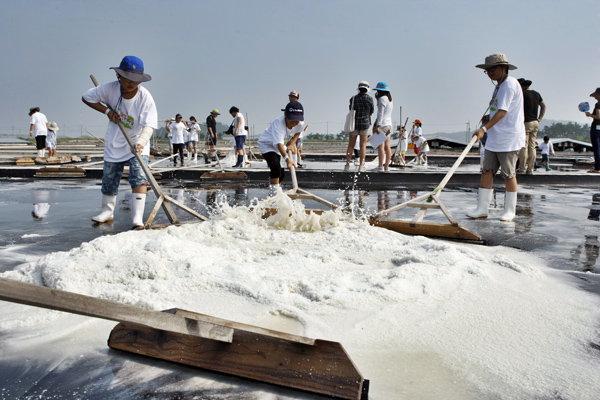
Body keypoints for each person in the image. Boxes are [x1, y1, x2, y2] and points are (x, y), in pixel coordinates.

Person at [82, 55, 158, 228]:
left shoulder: (145, 98)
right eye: (127, 79)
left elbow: (149, 125)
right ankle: (107, 212)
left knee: (138, 178)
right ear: (119, 76)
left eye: (136, 80)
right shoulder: (108, 89)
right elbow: (86, 97)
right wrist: (107, 111)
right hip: (116, 139)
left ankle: (137, 218)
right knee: (109, 176)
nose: (131, 83)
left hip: (138, 142)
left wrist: (141, 142)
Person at [468, 53, 525, 222]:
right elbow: (496, 110)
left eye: (492, 69)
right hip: (495, 137)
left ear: (504, 68)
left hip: (508, 138)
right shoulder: (499, 86)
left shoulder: (509, 85)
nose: (490, 73)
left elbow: (502, 112)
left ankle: (509, 210)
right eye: (487, 70)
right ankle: (482, 209)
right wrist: (488, 120)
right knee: (487, 171)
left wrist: (483, 129)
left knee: (509, 174)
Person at [257, 101, 304, 194]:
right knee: (275, 167)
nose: (294, 124)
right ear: (285, 114)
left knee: (281, 174)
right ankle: (274, 194)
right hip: (267, 145)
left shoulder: (300, 123)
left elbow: (298, 132)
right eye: (292, 121)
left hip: (280, 146)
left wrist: (292, 144)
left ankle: (276, 189)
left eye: (296, 121)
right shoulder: (278, 124)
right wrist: (287, 159)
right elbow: (279, 144)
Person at [517, 78, 546, 175]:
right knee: (532, 146)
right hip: (535, 122)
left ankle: (522, 168)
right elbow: (544, 106)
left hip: (526, 123)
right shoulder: (536, 94)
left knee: (524, 146)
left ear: (521, 85)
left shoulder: (522, 94)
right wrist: (540, 118)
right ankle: (530, 169)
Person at [344, 81, 374, 171]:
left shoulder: (353, 98)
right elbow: (371, 111)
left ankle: (347, 165)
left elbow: (351, 109)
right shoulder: (369, 99)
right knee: (363, 145)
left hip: (353, 124)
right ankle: (361, 165)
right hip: (365, 123)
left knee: (351, 145)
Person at [373, 82, 394, 172]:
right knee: (388, 146)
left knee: (381, 146)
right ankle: (386, 166)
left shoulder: (382, 99)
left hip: (383, 125)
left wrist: (378, 126)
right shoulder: (390, 100)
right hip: (389, 125)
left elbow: (380, 114)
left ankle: (380, 166)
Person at [585, 88, 600, 173]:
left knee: (597, 149)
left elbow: (598, 116)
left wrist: (590, 115)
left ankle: (597, 168)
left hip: (596, 128)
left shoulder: (598, 104)